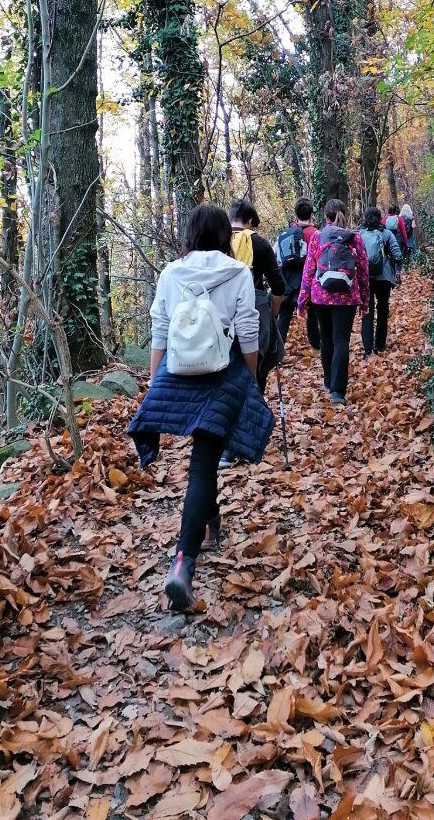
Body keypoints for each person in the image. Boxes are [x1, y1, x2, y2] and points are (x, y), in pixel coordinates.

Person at [128, 204, 274, 611]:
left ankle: (210, 526)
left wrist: (155, 385)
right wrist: (249, 381)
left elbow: (159, 329)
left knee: (202, 464)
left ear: (189, 235)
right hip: (220, 374)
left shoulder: (171, 273)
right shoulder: (238, 273)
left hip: (178, 372)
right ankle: (182, 563)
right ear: (224, 237)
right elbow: (248, 332)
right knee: (204, 463)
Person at [297, 199, 369, 406]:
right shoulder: (355, 238)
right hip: (347, 297)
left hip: (320, 295)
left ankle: (328, 381)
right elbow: (363, 272)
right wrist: (364, 301)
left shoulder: (318, 237)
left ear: (325, 216)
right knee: (341, 341)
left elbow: (309, 271)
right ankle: (338, 392)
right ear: (344, 214)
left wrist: (302, 300)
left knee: (326, 338)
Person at [228, 199, 286, 393]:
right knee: (257, 366)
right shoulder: (259, 243)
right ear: (251, 221)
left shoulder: (219, 240)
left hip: (221, 314)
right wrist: (274, 312)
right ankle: (255, 408)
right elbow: (278, 285)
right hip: (255, 310)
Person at [274, 197, 321, 351]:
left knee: (285, 315)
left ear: (296, 215)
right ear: (311, 215)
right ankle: (315, 343)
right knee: (312, 314)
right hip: (307, 281)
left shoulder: (286, 233)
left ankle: (278, 349)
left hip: (287, 280)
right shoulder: (315, 233)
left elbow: (275, 253)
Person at [358, 206, 404, 359]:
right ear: (379, 218)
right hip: (384, 277)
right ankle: (380, 344)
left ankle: (367, 350)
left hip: (365, 278)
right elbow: (397, 254)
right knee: (383, 309)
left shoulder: (359, 235)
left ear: (365, 218)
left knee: (367, 312)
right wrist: (396, 270)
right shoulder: (387, 234)